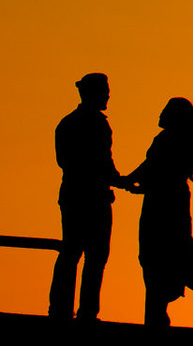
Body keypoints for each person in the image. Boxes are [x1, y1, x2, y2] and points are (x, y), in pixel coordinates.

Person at [127, 97, 193, 327]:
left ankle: (157, 317)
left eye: (164, 110)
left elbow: (151, 168)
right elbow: (156, 171)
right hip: (176, 204)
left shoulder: (166, 141)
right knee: (177, 256)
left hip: (159, 207)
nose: (159, 114)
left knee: (154, 260)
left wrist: (130, 180)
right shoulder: (184, 142)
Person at [48, 73, 131, 321]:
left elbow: (66, 162)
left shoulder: (67, 123)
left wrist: (116, 180)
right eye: (105, 90)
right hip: (92, 199)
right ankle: (85, 312)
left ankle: (61, 309)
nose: (108, 95)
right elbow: (102, 164)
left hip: (74, 195)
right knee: (93, 257)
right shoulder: (97, 125)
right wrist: (120, 181)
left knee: (72, 252)